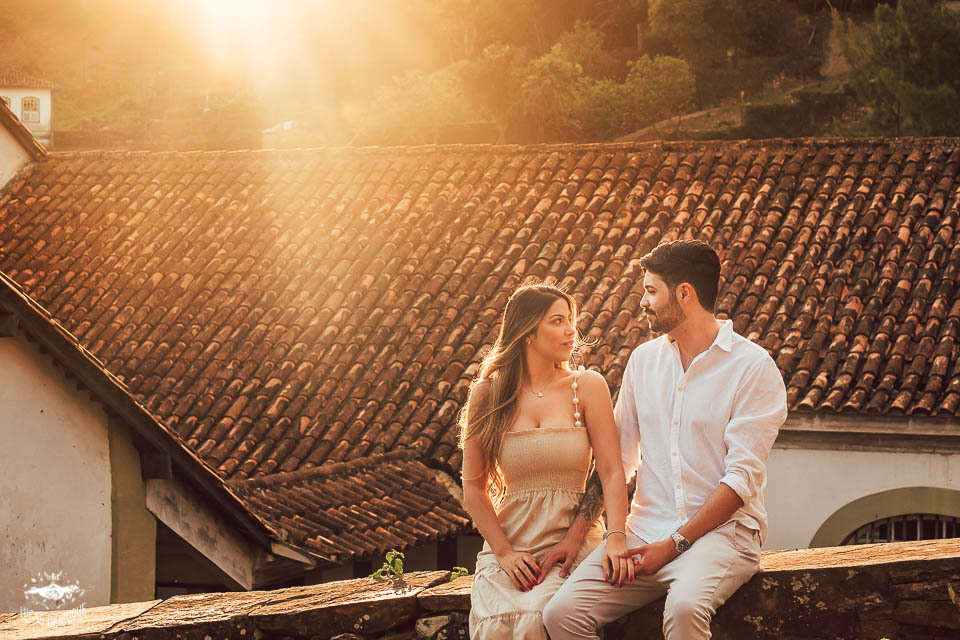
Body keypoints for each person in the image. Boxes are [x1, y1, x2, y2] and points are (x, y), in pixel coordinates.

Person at [543, 240, 788, 640]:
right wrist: (580, 535)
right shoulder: (644, 361)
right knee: (561, 615)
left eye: (651, 290)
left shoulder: (753, 368)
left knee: (686, 608)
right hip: (643, 531)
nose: (643, 301)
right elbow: (618, 461)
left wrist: (673, 544)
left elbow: (740, 481)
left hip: (723, 536)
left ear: (685, 294)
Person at [459, 283, 630, 640]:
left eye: (571, 320)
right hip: (509, 546)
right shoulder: (487, 394)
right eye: (558, 321)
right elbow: (473, 488)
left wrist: (600, 537)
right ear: (528, 333)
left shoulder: (587, 385)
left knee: (540, 619)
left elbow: (612, 472)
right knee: (495, 628)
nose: (572, 330)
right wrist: (504, 554)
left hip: (572, 545)